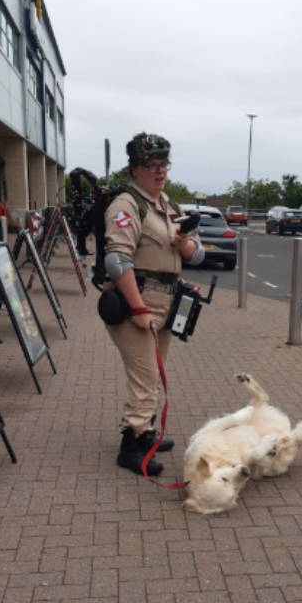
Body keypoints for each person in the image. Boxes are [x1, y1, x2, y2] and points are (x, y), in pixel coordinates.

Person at [104, 133, 205, 476]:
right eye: (152, 165)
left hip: (168, 302)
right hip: (139, 304)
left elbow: (198, 252)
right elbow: (117, 260)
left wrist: (183, 244)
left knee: (156, 370)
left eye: (164, 164)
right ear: (134, 169)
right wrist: (138, 308)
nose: (160, 172)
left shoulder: (168, 206)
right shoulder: (127, 205)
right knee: (145, 377)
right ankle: (131, 446)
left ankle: (146, 431)